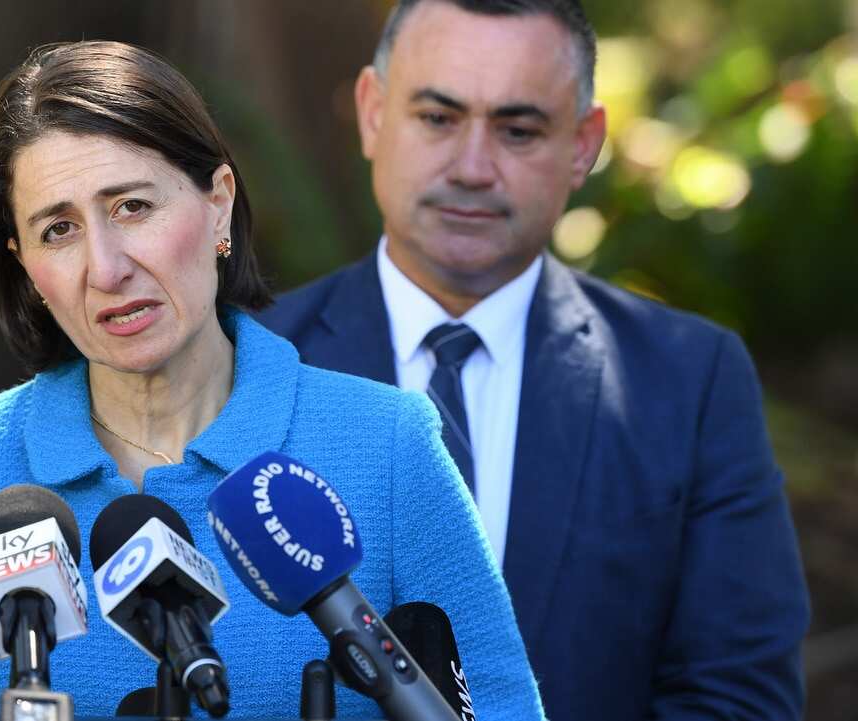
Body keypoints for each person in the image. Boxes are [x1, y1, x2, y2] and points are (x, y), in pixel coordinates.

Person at [0, 40, 547, 719]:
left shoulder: (387, 446)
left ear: (218, 202)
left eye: (132, 206)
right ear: (24, 265)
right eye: (58, 229)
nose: (105, 268)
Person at [257, 1, 811, 719]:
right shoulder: (254, 364)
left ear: (583, 145)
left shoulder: (691, 382)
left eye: (518, 130)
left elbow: (741, 696)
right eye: (437, 118)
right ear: (372, 112)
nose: (473, 167)